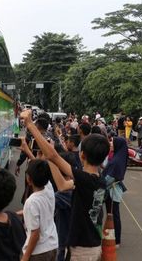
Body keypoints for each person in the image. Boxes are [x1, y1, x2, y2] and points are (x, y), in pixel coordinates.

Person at [21, 109, 110, 260]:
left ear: (82, 155)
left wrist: (30, 124)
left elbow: (53, 155)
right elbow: (62, 185)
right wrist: (50, 157)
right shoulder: (99, 180)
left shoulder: (84, 179)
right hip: (89, 245)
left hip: (83, 251)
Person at [21, 160, 58, 261]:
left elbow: (35, 234)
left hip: (38, 252)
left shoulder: (31, 202)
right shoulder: (49, 188)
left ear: (29, 179)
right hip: (52, 245)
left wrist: (25, 257)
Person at [102, 137, 128, 247]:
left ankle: (116, 239)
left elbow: (110, 178)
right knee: (112, 214)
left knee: (113, 214)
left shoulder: (116, 160)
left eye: (113, 142)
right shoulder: (120, 156)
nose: (111, 143)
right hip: (113, 190)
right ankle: (113, 238)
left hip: (112, 191)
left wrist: (99, 184)